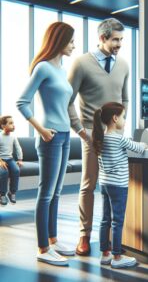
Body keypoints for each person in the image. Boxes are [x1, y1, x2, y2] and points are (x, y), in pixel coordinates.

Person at [68, 18, 129, 255]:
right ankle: (84, 235)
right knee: (89, 184)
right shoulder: (81, 63)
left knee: (115, 184)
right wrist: (80, 130)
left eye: (121, 39)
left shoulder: (123, 64)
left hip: (115, 136)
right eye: (115, 39)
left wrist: (120, 129)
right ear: (102, 38)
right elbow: (67, 100)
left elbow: (124, 99)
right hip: (91, 135)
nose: (119, 44)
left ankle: (114, 236)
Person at [16, 22, 75, 266]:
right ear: (59, 41)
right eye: (71, 41)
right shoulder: (43, 68)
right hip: (50, 137)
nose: (73, 45)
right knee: (46, 193)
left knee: (57, 192)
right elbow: (22, 102)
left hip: (64, 136)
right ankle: (42, 248)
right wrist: (40, 129)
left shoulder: (60, 70)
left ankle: (52, 239)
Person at [92, 102, 147, 268]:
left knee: (105, 219)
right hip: (119, 186)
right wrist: (144, 144)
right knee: (117, 221)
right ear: (115, 118)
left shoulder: (101, 137)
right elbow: (138, 148)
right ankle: (117, 257)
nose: (124, 120)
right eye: (123, 117)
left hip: (105, 184)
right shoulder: (119, 138)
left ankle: (105, 254)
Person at [0, 116, 23, 206]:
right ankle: (2, 194)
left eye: (13, 123)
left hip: (10, 159)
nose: (13, 125)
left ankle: (12, 193)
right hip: (1, 160)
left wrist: (20, 159)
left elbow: (18, 148)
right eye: (10, 123)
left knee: (16, 170)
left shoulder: (13, 137)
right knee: (3, 172)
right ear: (3, 126)